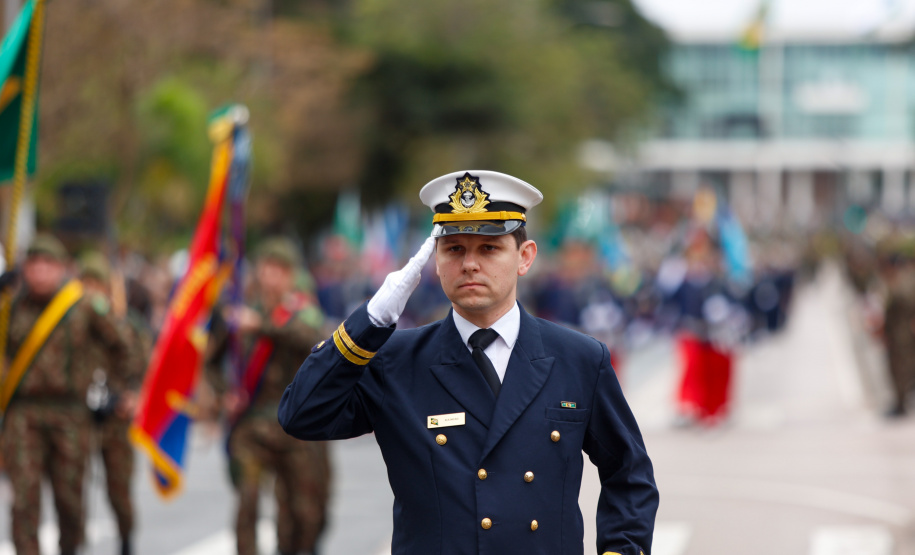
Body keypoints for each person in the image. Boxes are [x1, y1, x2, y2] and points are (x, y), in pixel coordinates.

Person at [279, 171, 658, 555]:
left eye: (489, 249)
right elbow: (302, 415)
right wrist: (372, 320)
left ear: (524, 258)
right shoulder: (394, 361)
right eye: (454, 249)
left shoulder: (578, 358)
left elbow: (628, 472)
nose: (470, 264)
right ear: (436, 260)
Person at [0, 234, 128, 555]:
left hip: (69, 413)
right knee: (24, 501)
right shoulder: (10, 307)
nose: (40, 271)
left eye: (48, 264)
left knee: (70, 500)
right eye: (34, 264)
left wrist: (120, 391)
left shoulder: (83, 306)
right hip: (23, 413)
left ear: (62, 268)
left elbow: (123, 346)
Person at [206, 237, 330, 555]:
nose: (272, 276)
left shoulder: (302, 313)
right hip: (253, 424)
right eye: (268, 268)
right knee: (246, 500)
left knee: (302, 513)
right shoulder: (238, 313)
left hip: (297, 426)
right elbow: (210, 362)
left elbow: (313, 339)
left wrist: (261, 327)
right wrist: (224, 395)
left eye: (281, 270)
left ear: (291, 276)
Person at [78, 251, 152, 555]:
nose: (91, 291)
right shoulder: (71, 320)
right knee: (72, 487)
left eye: (97, 283)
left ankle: (126, 541)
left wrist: (133, 395)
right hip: (81, 413)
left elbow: (142, 363)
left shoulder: (125, 323)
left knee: (118, 489)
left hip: (117, 412)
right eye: (86, 283)